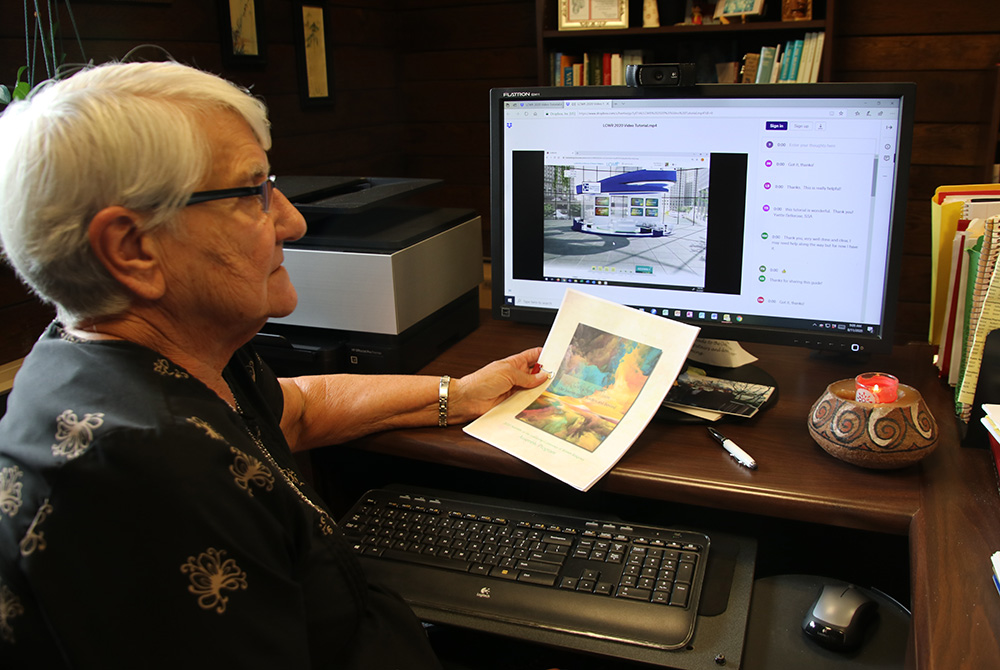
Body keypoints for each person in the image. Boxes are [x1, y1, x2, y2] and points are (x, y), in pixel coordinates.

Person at [0, 60, 548, 668]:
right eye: (253, 191)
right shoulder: (151, 482)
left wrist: (459, 393)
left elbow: (298, 408)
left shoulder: (138, 354)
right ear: (132, 250)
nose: (293, 219)